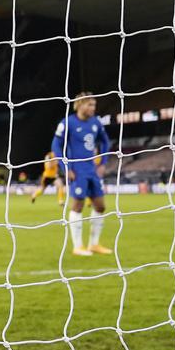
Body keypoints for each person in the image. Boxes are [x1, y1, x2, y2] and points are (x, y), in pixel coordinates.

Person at [51, 93, 112, 256]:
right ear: (80, 105)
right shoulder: (68, 123)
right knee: (77, 205)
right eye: (90, 105)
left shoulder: (96, 122)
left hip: (92, 169)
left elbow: (105, 141)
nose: (93, 108)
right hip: (77, 170)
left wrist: (103, 163)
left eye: (94, 105)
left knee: (100, 206)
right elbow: (56, 145)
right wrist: (67, 168)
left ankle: (94, 244)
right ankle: (78, 246)